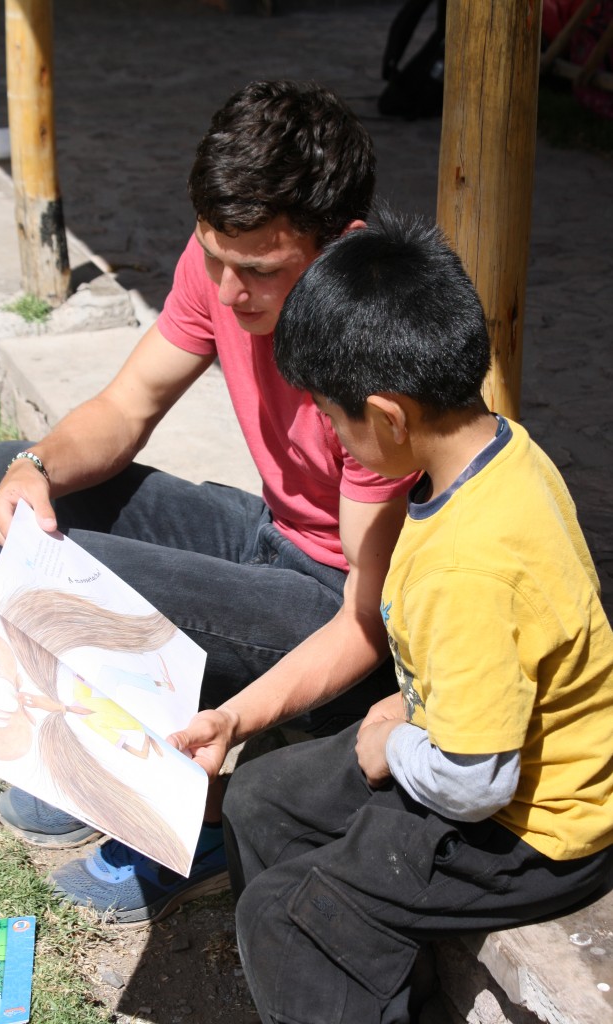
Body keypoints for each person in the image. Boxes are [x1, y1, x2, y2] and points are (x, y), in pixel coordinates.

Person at [0, 80, 417, 926]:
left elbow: (369, 615)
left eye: (262, 272)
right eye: (216, 258)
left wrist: (241, 717)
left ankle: (194, 817)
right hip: (268, 535)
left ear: (340, 245)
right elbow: (126, 409)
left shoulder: (376, 347)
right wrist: (33, 465)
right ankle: (101, 761)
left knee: (74, 571)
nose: (232, 292)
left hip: (340, 604)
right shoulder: (223, 267)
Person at [168, 209, 613, 1022]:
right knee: (261, 797)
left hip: (533, 830)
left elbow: (476, 782)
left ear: (390, 416)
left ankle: (325, 960)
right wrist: (409, 712)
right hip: (457, 740)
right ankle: (358, 986)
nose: (338, 442)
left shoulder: (469, 565)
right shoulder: (497, 444)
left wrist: (398, 741)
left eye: (337, 422)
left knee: (285, 919)